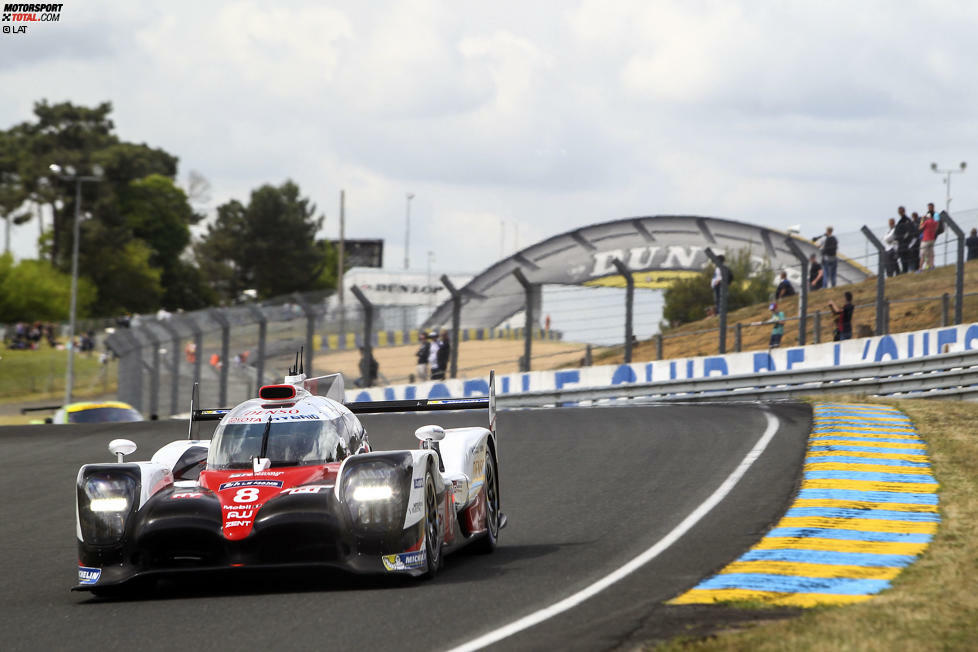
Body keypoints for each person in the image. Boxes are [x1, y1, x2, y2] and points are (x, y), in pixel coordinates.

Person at [894, 206, 916, 274]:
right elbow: (897, 232)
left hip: (906, 243)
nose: (900, 212)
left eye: (901, 211)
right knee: (902, 259)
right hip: (900, 244)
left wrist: (906, 239)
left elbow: (911, 231)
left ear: (903, 211)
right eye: (899, 211)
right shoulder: (900, 221)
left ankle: (906, 271)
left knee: (906, 259)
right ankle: (904, 271)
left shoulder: (907, 220)